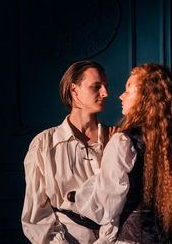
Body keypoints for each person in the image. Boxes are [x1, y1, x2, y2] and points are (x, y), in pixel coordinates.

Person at [75, 63, 172, 243]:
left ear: (147, 97)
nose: (121, 96)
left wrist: (105, 164)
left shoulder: (123, 142)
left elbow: (101, 209)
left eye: (129, 91)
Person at [21, 60, 110, 244]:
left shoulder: (116, 139)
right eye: (96, 86)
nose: (105, 93)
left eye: (106, 87)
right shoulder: (44, 144)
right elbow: (36, 216)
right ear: (74, 89)